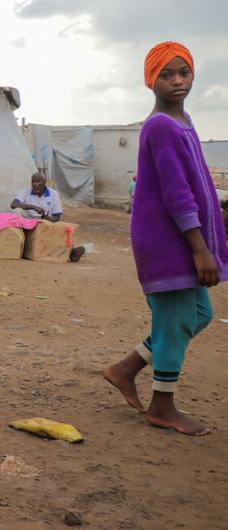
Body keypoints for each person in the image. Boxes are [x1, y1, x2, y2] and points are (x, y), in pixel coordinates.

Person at [102, 42, 227, 436]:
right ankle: (162, 406)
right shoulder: (159, 126)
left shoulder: (184, 121)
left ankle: (127, 368)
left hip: (182, 240)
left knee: (199, 315)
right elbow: (176, 193)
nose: (177, 81)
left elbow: (198, 183)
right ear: (150, 80)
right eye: (166, 74)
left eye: (183, 73)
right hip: (168, 242)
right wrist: (200, 248)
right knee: (175, 320)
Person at [11, 172, 86, 261]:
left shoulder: (54, 194)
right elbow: (13, 204)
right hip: (27, 224)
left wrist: (45, 217)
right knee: (17, 211)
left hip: (44, 224)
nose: (34, 184)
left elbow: (56, 218)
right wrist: (33, 207)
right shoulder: (26, 191)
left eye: (38, 181)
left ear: (44, 182)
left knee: (59, 230)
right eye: (33, 181)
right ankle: (70, 253)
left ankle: (70, 252)